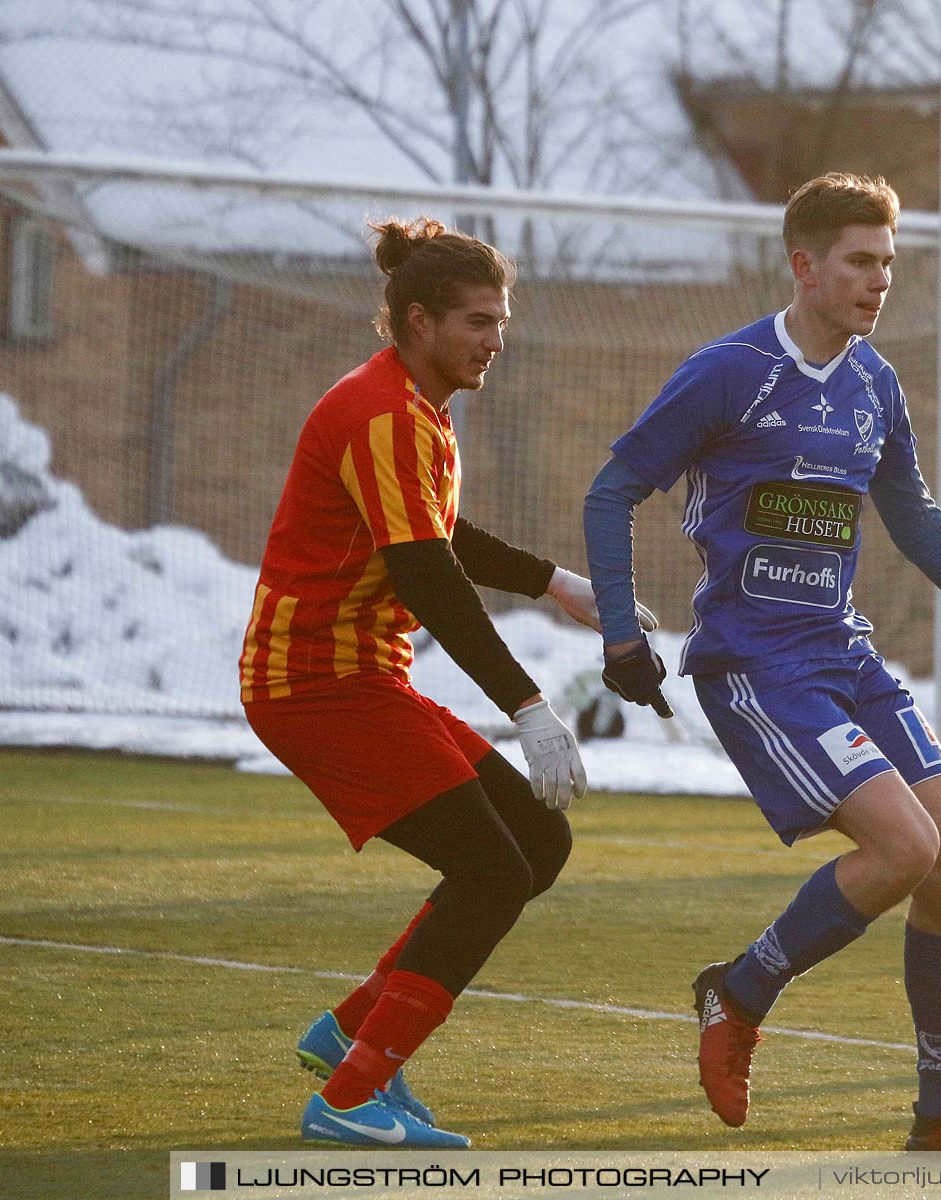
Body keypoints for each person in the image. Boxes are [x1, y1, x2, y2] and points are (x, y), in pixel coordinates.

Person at [582, 173, 941, 1157]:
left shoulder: (874, 385)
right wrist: (619, 633)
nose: (879, 281)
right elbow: (614, 490)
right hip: (754, 661)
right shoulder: (730, 371)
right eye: (861, 261)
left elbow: (916, 522)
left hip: (841, 652)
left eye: (890, 264)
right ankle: (738, 992)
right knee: (902, 849)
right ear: (805, 264)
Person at [239, 217, 654, 1146]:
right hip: (316, 686)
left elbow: (440, 536)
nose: (494, 339)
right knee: (491, 869)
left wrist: (558, 584)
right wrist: (529, 708)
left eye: (500, 319)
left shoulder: (410, 405)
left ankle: (347, 1033)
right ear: (416, 321)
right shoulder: (383, 410)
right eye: (476, 321)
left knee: (535, 844)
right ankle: (348, 1097)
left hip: (357, 678)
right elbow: (428, 575)